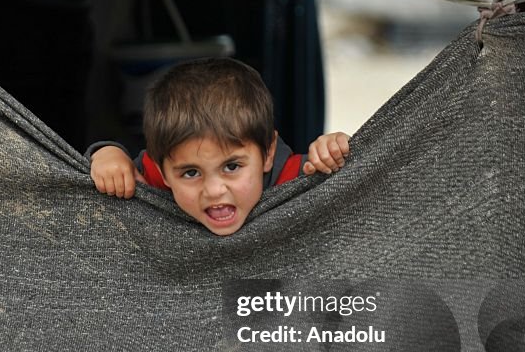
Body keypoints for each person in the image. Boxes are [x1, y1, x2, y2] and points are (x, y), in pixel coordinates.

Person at [86, 58, 349, 236]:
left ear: (268, 153)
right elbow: (122, 174)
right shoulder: (151, 179)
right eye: (190, 173)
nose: (214, 190)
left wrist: (335, 151)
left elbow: (352, 184)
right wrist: (107, 153)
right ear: (163, 171)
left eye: (232, 167)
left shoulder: (297, 176)